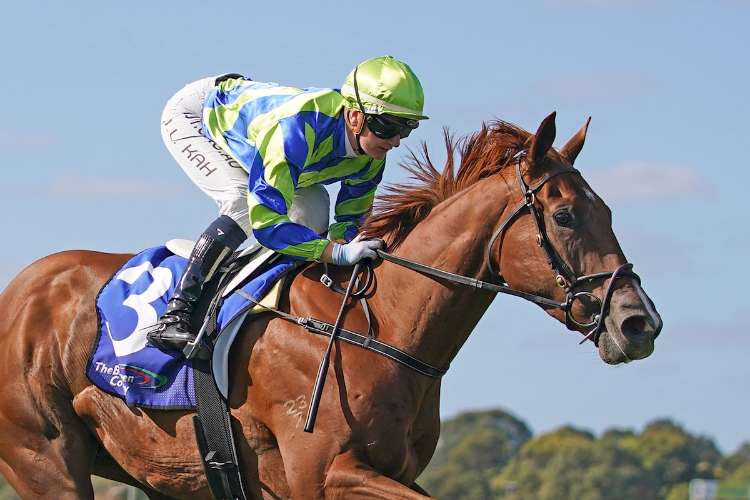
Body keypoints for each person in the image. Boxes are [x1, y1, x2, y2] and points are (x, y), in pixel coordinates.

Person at [147, 55, 428, 351]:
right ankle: (175, 314)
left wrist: (346, 248)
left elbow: (349, 225)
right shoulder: (297, 128)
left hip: (262, 142)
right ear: (355, 117)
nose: (396, 141)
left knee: (314, 212)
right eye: (387, 127)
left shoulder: (372, 158)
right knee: (241, 202)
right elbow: (266, 223)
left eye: (405, 129)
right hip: (198, 116)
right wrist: (335, 253)